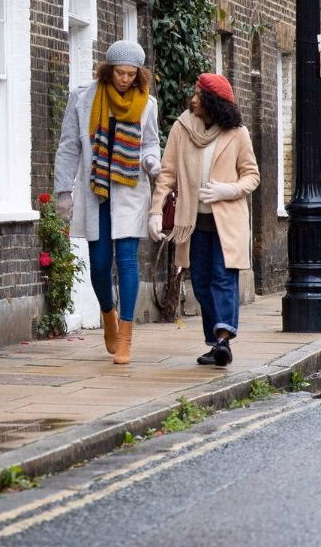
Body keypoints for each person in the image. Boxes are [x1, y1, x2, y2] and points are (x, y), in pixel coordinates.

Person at [54, 40, 160, 365]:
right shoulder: (83, 98)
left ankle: (126, 337)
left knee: (127, 260)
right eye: (120, 72)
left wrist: (152, 161)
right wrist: (63, 192)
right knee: (99, 265)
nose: (125, 79)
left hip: (129, 192)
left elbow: (151, 142)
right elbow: (69, 146)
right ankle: (108, 313)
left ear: (138, 74)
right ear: (109, 69)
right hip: (96, 191)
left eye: (131, 74)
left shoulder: (147, 104)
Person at [149, 73, 259, 367]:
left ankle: (223, 340)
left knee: (223, 279)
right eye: (194, 94)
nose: (193, 99)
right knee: (200, 282)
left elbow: (252, 176)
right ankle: (215, 342)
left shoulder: (237, 133)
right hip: (192, 221)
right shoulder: (182, 128)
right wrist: (156, 211)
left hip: (227, 223)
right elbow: (167, 174)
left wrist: (229, 189)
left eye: (199, 95)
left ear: (214, 102)